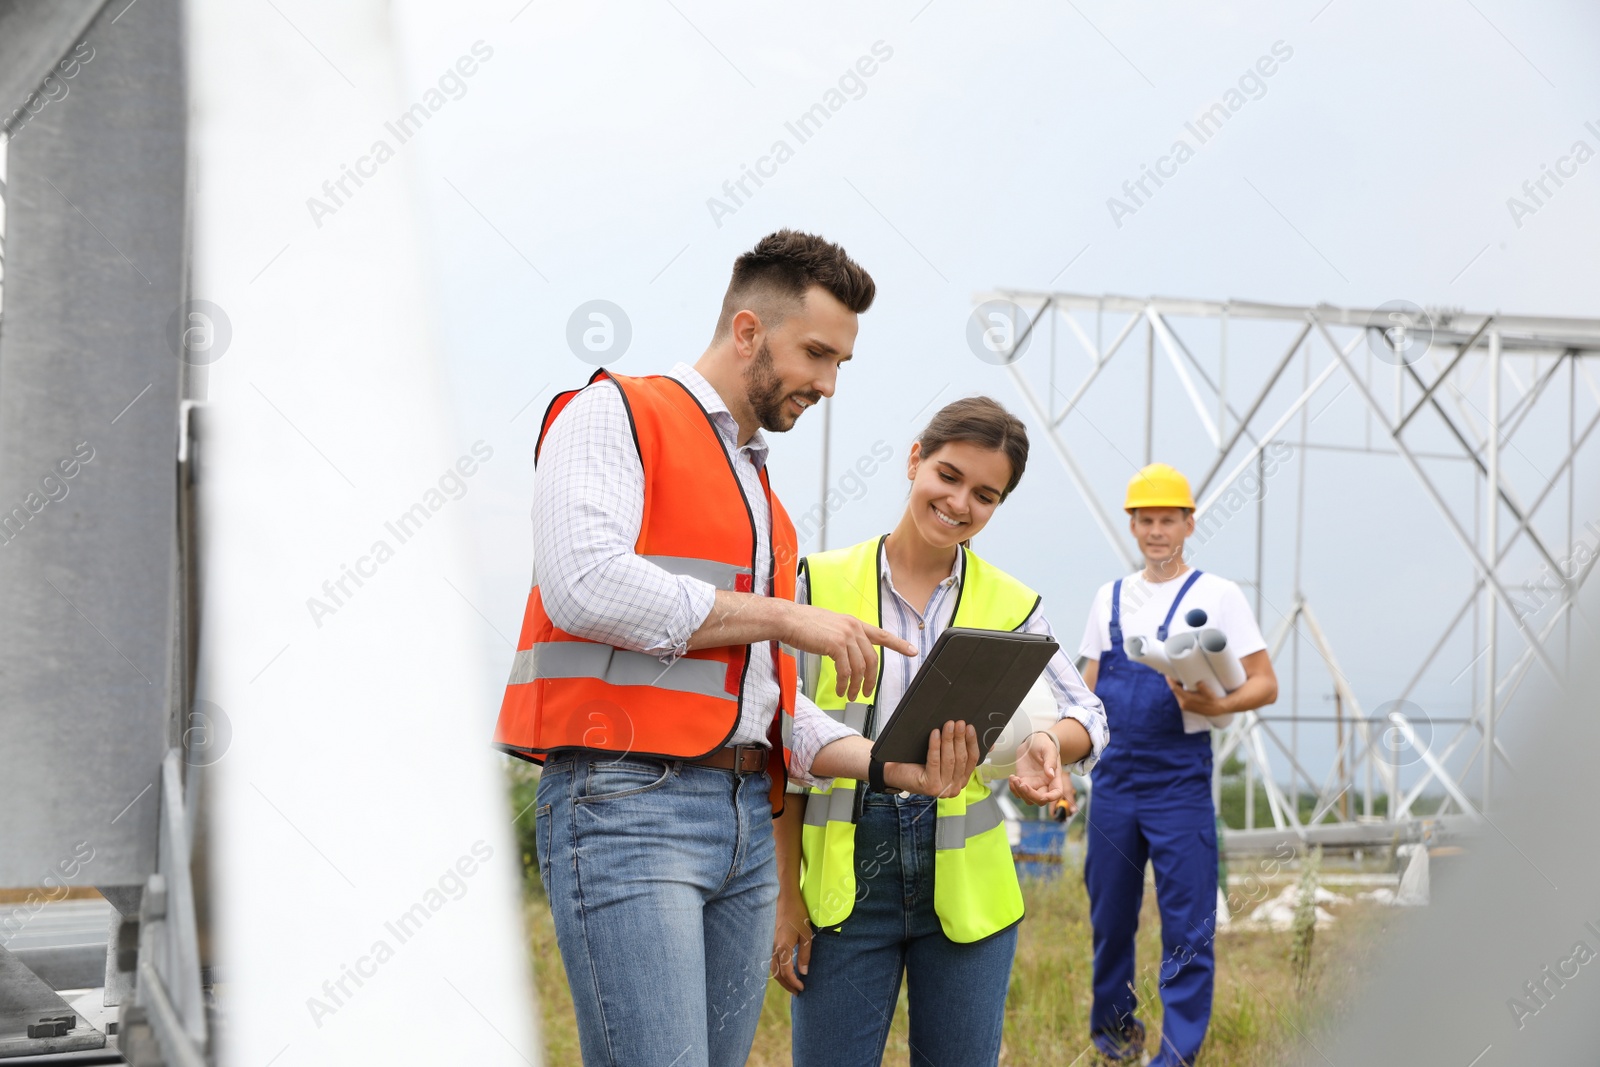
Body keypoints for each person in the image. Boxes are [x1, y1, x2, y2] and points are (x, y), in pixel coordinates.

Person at [493, 230, 984, 1067]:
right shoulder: (612, 413)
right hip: (625, 802)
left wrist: (886, 763)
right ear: (749, 330)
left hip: (744, 824)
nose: (828, 384)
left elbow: (771, 709)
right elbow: (582, 582)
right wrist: (787, 617)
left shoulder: (762, 495)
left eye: (841, 365)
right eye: (817, 354)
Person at [771, 396, 1109, 1067]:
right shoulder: (817, 583)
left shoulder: (1012, 603)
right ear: (915, 459)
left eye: (985, 494)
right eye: (948, 476)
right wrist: (786, 899)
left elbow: (1089, 713)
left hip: (967, 890)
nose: (959, 503)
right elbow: (780, 748)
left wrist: (1050, 742)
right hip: (842, 889)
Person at [1078, 463, 1279, 1066]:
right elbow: (1085, 695)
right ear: (1132, 525)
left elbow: (1265, 684)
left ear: (1189, 523)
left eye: (1169, 519)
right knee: (1111, 919)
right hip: (1113, 783)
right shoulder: (1109, 598)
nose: (1157, 530)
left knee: (1188, 929)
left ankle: (1176, 1055)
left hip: (1179, 782)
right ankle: (1116, 1040)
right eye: (1146, 520)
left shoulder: (1218, 595)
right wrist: (1062, 768)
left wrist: (1217, 701)